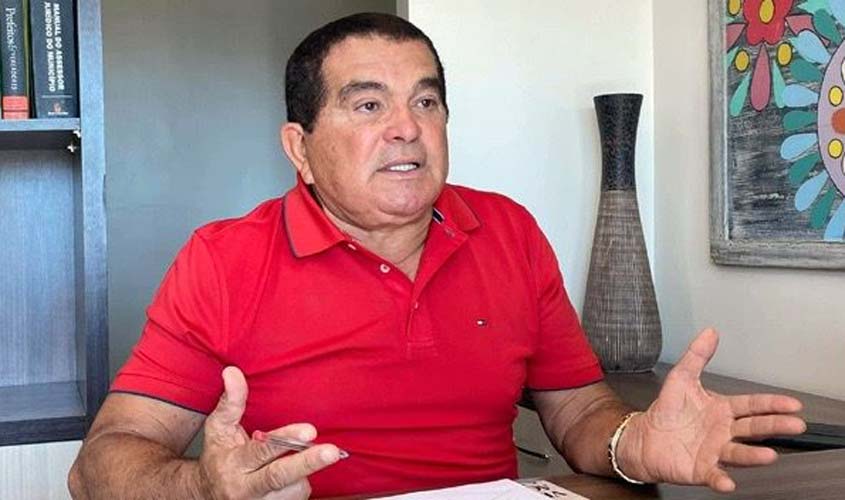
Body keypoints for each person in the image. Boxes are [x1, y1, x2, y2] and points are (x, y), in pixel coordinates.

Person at [68, 12, 805, 500]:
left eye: (425, 102)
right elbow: (101, 464)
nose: (406, 128)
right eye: (368, 105)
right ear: (300, 148)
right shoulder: (223, 260)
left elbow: (578, 407)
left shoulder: (508, 231)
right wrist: (203, 486)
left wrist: (630, 443)